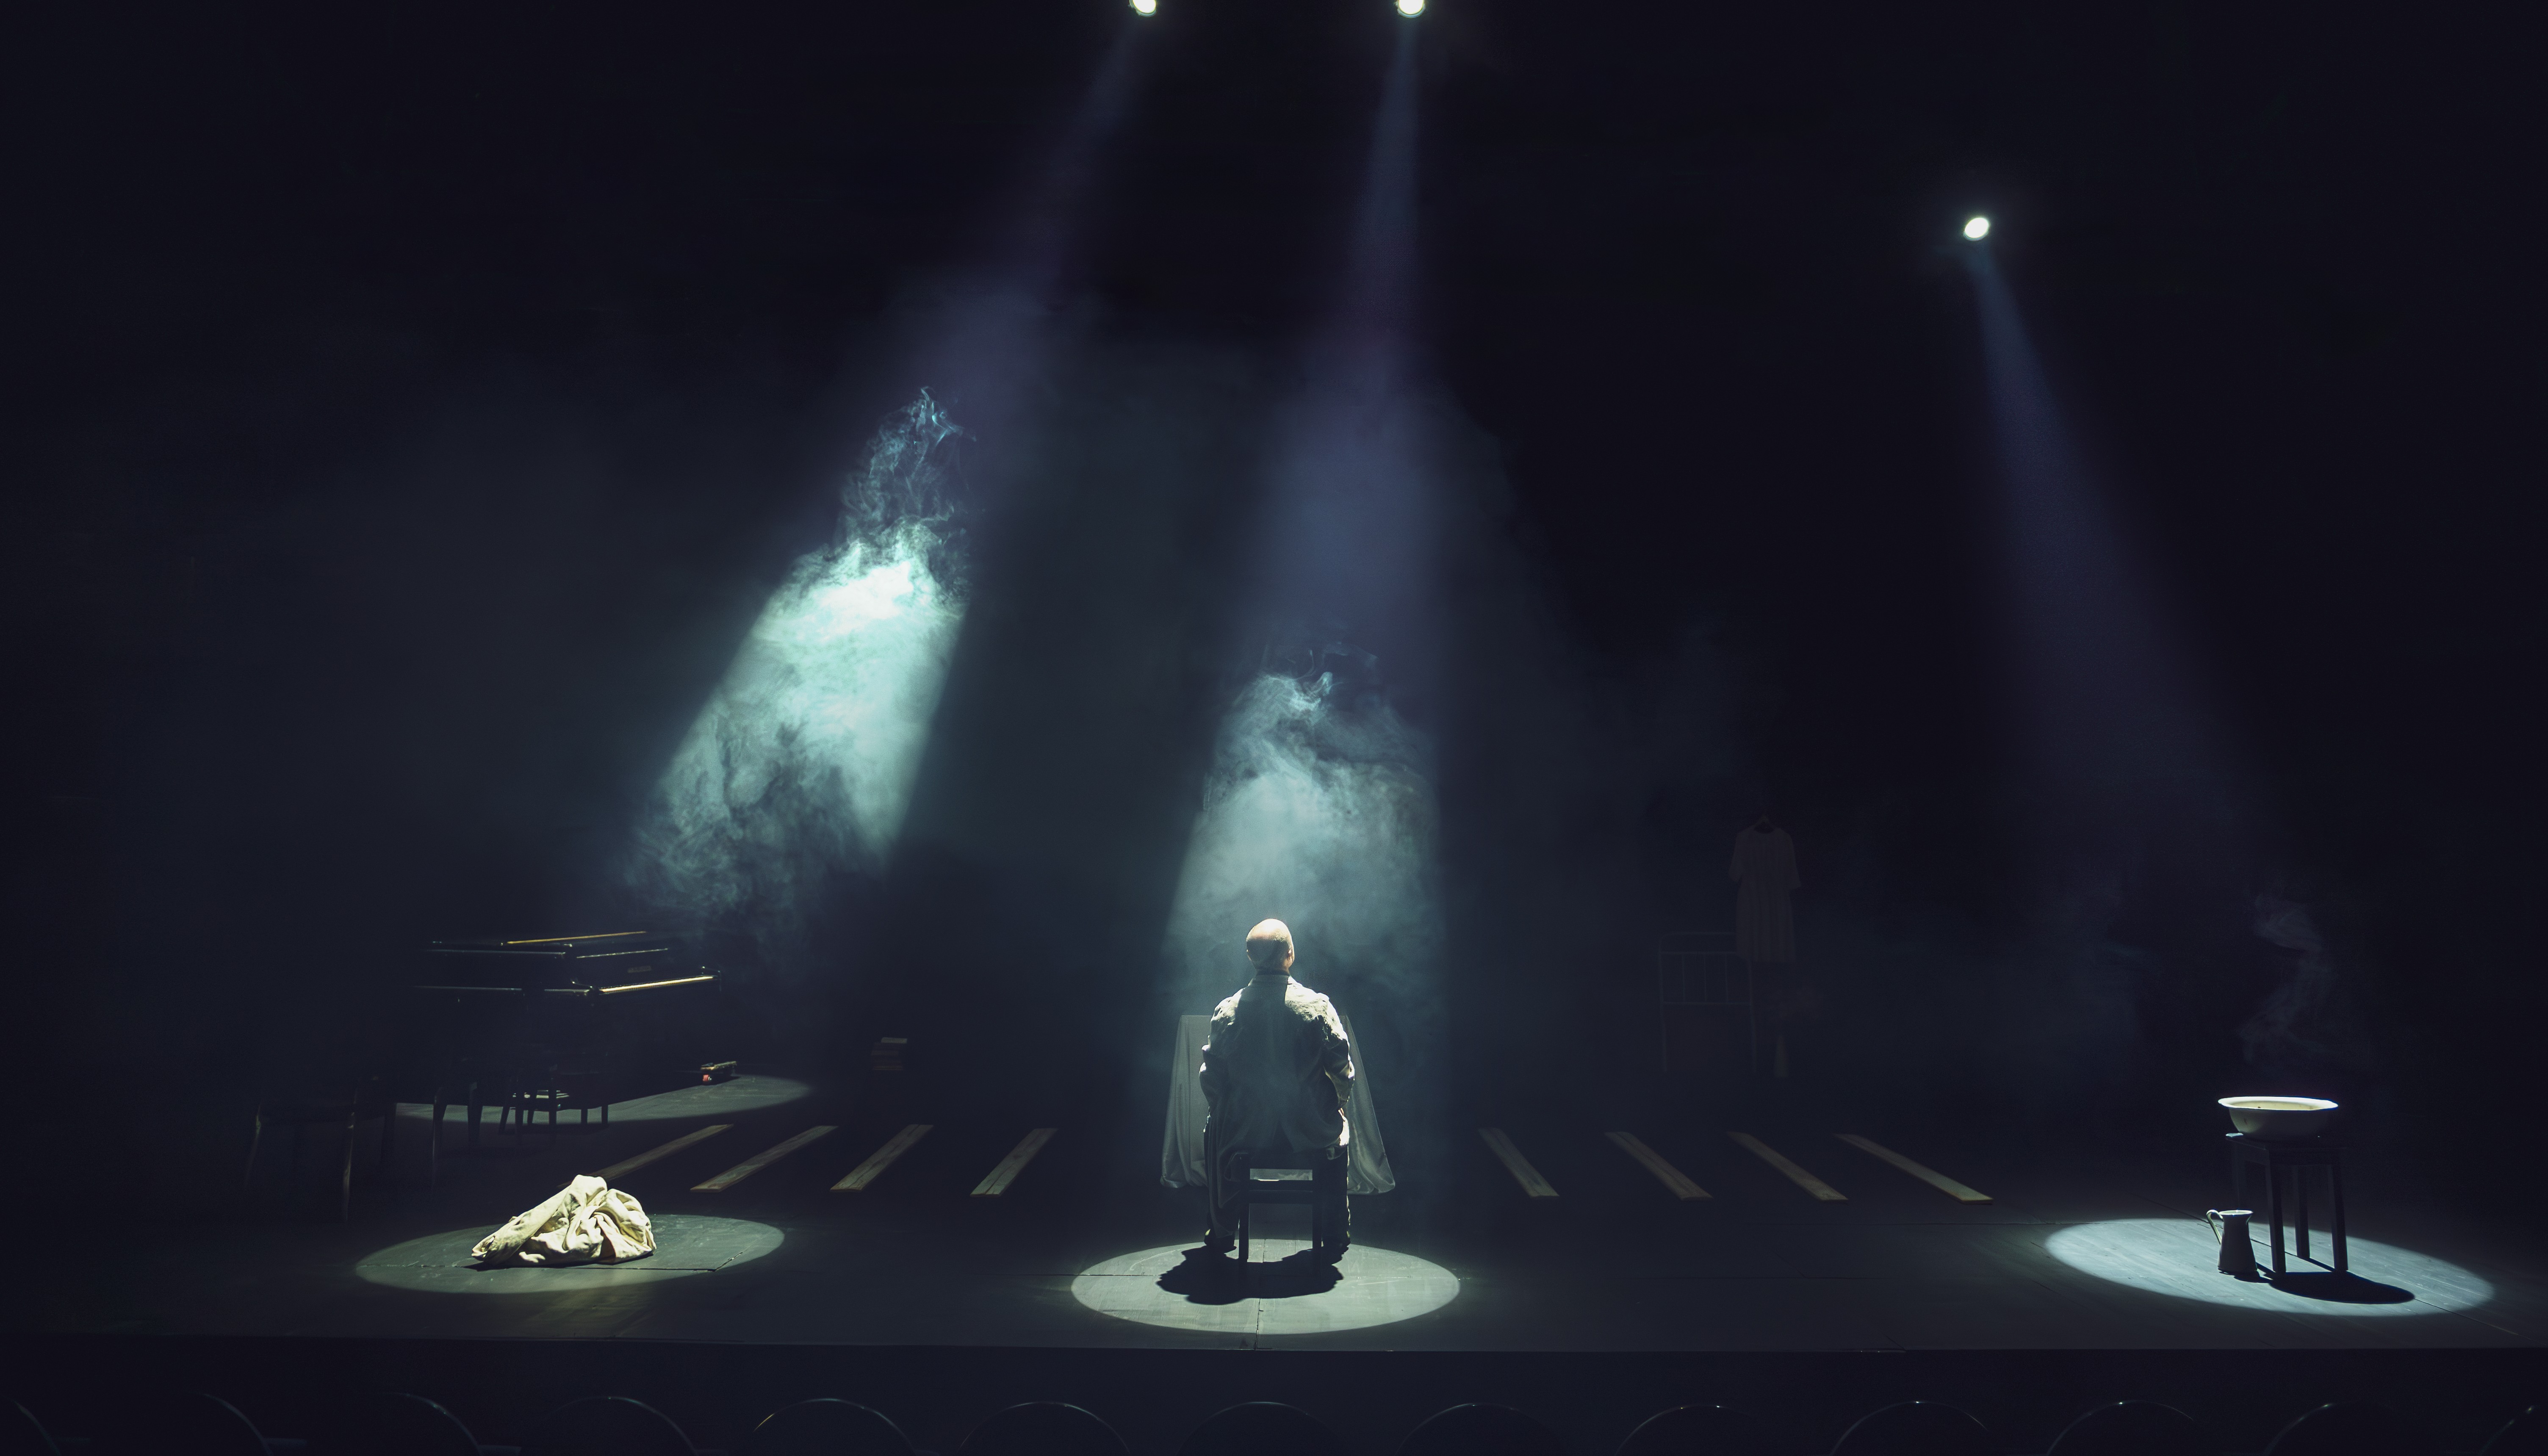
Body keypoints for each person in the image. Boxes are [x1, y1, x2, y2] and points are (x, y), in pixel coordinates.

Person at [1198, 918, 1353, 1259]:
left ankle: (1222, 1228)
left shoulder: (1228, 1010)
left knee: (1216, 1125)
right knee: (1338, 1133)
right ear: (1290, 955)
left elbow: (1211, 1077)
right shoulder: (1317, 1007)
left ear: (1250, 957)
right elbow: (1343, 1070)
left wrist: (1223, 1109)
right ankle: (1335, 1232)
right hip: (1308, 1131)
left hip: (1245, 1133)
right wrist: (1336, 1102)